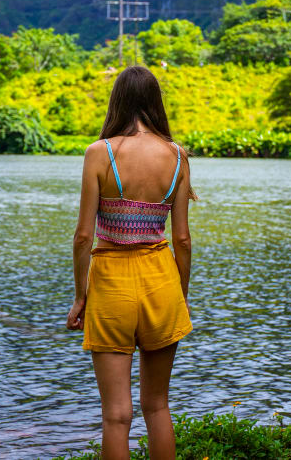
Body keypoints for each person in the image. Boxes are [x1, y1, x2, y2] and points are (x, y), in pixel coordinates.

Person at [66, 66, 194, 460]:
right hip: (162, 282)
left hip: (111, 284)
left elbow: (84, 237)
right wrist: (180, 297)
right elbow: (183, 240)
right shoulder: (176, 156)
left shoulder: (98, 153)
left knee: (116, 416)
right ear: (155, 103)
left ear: (116, 102)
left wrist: (79, 297)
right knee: (157, 405)